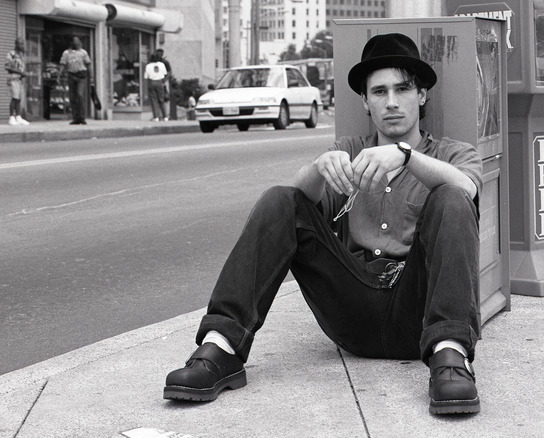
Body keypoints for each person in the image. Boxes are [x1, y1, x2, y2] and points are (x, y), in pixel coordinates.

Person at [163, 33, 483, 415]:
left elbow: (466, 189)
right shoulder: (348, 152)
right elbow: (296, 202)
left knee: (450, 195)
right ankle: (221, 348)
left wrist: (405, 156)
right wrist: (317, 169)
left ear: (422, 95)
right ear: (365, 101)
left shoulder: (451, 154)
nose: (392, 102)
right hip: (351, 308)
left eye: (403, 88)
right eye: (379, 92)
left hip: (419, 313)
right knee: (281, 197)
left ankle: (452, 359)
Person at [58, 37, 91, 125]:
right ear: (72, 43)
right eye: (75, 42)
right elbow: (63, 64)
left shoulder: (83, 52)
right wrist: (59, 75)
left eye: (78, 42)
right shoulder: (66, 53)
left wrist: (91, 77)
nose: (77, 44)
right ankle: (75, 117)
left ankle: (82, 117)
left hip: (81, 76)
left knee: (80, 95)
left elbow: (88, 64)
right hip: (71, 75)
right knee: (72, 97)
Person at [5, 37, 29, 126]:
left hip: (20, 80)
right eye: (20, 44)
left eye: (22, 44)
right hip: (13, 79)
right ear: (16, 44)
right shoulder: (11, 54)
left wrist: (23, 73)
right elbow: (7, 67)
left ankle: (18, 117)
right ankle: (11, 117)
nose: (22, 45)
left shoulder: (22, 55)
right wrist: (19, 72)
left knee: (19, 99)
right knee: (14, 98)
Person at [144, 53, 168, 121]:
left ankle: (156, 117)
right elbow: (165, 74)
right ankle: (165, 116)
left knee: (154, 100)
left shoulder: (148, 66)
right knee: (161, 99)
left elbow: (146, 76)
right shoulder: (161, 64)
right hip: (159, 82)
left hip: (152, 82)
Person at [155, 48, 172, 120]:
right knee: (157, 98)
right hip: (157, 81)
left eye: (160, 53)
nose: (159, 55)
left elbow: (169, 71)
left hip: (163, 81)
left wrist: (165, 79)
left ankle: (166, 114)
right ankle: (159, 115)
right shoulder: (154, 62)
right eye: (158, 53)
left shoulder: (165, 62)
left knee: (165, 97)